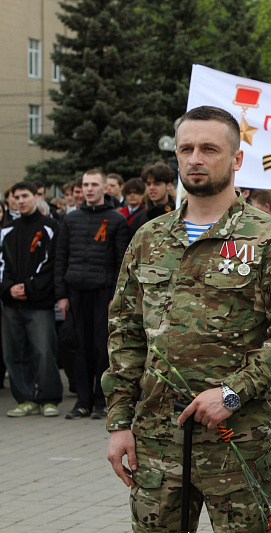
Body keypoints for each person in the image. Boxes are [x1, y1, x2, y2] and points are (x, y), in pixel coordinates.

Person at [102, 106, 271, 532]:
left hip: (237, 441)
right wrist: (119, 423)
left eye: (209, 149)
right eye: (187, 149)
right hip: (157, 441)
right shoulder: (149, 238)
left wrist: (231, 394)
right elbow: (125, 334)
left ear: (236, 158)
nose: (195, 158)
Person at [56, 170, 129, 420]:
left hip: (103, 293)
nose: (89, 189)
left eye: (94, 184)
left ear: (104, 188)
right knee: (79, 348)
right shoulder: (70, 220)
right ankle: (82, 401)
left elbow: (121, 262)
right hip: (75, 292)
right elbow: (61, 258)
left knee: (101, 349)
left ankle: (101, 400)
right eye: (86, 184)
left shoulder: (116, 220)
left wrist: (115, 297)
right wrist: (61, 295)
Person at [1, 181, 62, 418]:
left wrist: (28, 287)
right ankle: (25, 398)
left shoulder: (50, 227)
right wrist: (8, 288)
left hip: (39, 304)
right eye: (17, 197)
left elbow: (51, 263)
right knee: (14, 353)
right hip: (11, 304)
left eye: (25, 196)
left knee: (44, 351)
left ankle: (49, 398)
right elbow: (2, 264)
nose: (21, 201)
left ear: (36, 197)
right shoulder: (7, 230)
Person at [129, 162, 176, 235]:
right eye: (148, 184)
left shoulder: (179, 215)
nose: (151, 187)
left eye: (157, 184)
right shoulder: (139, 219)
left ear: (168, 186)